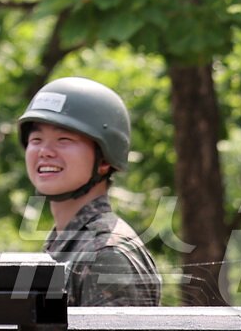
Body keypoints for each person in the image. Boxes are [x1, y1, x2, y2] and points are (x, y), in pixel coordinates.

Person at [19, 76, 162, 306]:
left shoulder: (107, 255)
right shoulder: (69, 242)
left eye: (63, 139)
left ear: (104, 159)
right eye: (36, 139)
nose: (44, 151)